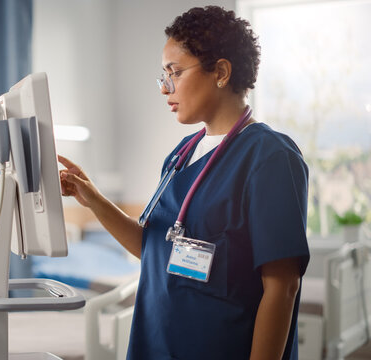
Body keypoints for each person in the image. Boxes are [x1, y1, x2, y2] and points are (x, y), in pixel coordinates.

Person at [58, 6, 309, 360]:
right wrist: (93, 199)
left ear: (220, 72)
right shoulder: (180, 155)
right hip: (156, 342)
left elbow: (282, 287)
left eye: (174, 73)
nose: (165, 88)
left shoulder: (269, 157)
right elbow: (153, 248)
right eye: (163, 76)